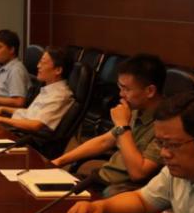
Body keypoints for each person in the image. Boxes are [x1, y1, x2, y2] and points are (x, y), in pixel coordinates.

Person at [52, 54, 165, 196]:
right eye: (120, 87)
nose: (121, 94)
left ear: (150, 91)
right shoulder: (137, 109)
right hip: (100, 179)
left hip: (117, 192)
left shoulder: (166, 125)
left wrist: (122, 126)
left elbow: (138, 173)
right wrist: (59, 161)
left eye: (126, 89)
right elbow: (105, 141)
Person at [0, 46, 72, 133]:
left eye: (43, 63)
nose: (38, 66)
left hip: (25, 136)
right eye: (39, 62)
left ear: (58, 70)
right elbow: (30, 114)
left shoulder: (59, 95)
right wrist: (3, 108)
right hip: (19, 129)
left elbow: (35, 125)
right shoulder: (49, 89)